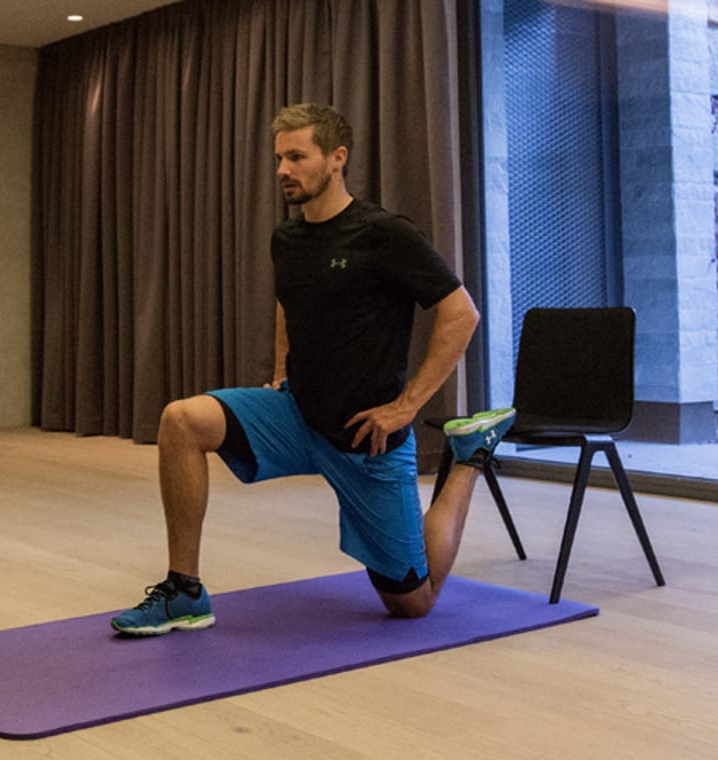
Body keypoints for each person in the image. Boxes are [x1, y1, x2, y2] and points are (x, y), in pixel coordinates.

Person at [111, 103, 515, 635]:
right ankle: (184, 591)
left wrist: (407, 407)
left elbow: (461, 313)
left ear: (336, 158)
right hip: (298, 415)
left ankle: (468, 458)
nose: (283, 169)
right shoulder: (288, 239)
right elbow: (289, 304)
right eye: (280, 157)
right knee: (181, 421)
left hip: (366, 438)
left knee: (412, 604)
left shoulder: (384, 233)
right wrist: (282, 370)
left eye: (297, 157)